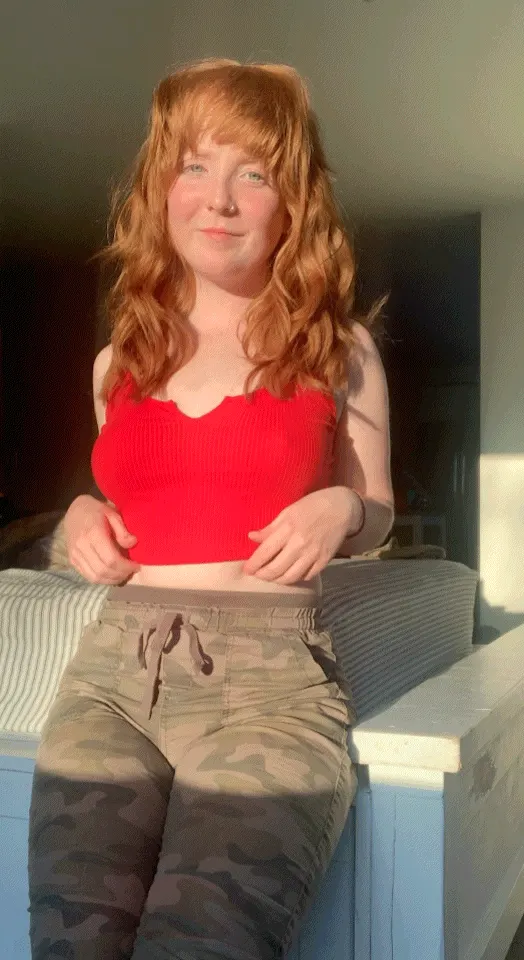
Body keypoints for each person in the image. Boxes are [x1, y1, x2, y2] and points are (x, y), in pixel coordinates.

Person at [27, 58, 394, 960]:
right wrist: (78, 515)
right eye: (194, 165)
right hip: (113, 679)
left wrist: (343, 508)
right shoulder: (120, 362)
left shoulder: (338, 350)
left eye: (254, 173)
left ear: (292, 203)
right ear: (161, 188)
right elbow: (135, 504)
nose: (219, 199)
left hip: (270, 691)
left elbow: (380, 510)